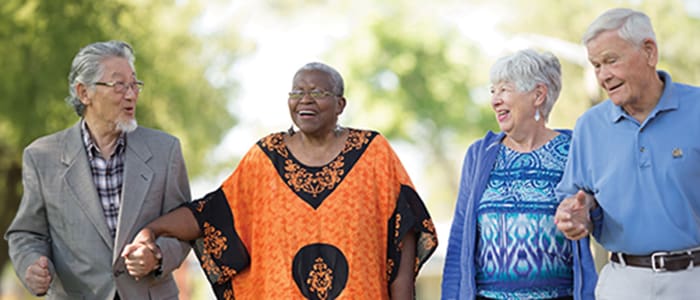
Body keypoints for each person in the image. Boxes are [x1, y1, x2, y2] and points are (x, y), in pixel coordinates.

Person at [121, 61, 438, 299]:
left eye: (318, 92)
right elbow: (211, 215)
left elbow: (403, 240)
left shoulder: (374, 154)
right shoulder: (265, 158)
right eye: (297, 92)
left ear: (341, 104)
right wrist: (154, 229)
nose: (306, 100)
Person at [4, 40, 192, 299]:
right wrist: (30, 264)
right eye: (118, 85)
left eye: (134, 84)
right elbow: (27, 232)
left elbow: (185, 227)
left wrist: (157, 255)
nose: (131, 94)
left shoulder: (165, 150)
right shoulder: (41, 157)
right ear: (84, 93)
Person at [554, 7, 700, 299]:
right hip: (623, 282)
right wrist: (576, 214)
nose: (603, 75)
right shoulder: (589, 126)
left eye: (611, 60)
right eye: (596, 65)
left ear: (649, 51)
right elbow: (577, 199)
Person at [441, 49, 597, 300]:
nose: (495, 100)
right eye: (493, 91)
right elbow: (459, 238)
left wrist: (585, 214)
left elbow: (599, 215)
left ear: (538, 95)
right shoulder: (480, 155)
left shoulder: (574, 150)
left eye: (504, 90)